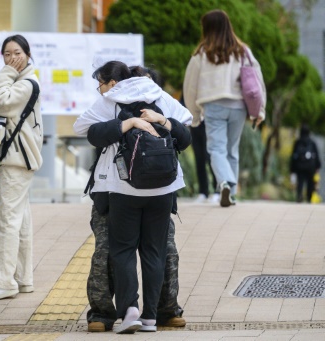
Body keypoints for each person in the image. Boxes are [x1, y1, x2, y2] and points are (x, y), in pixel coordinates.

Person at [74, 61, 192, 334]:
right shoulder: (161, 96)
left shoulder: (111, 100)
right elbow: (186, 127)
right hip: (164, 188)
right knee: (155, 251)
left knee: (123, 250)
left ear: (116, 82)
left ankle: (130, 312)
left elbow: (84, 128)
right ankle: (151, 317)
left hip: (123, 188)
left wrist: (125, 123)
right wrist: (161, 120)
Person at [0, 34, 43, 301]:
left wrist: (5, 72)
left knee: (5, 220)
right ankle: (22, 278)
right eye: (6, 54)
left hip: (16, 161)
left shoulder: (27, 83)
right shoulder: (21, 81)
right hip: (16, 160)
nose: (12, 58)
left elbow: (0, 101)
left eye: (17, 53)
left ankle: (3, 282)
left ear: (27, 54)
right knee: (20, 220)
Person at [183, 9, 266, 207]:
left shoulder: (201, 53)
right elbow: (257, 80)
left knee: (216, 149)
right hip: (238, 106)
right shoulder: (242, 50)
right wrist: (259, 110)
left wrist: (193, 116)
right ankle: (232, 192)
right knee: (231, 150)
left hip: (213, 106)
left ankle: (225, 183)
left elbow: (190, 86)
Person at [290, 124, 322, 203]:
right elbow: (316, 155)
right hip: (310, 167)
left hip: (300, 166)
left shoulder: (297, 142)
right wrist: (318, 166)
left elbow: (293, 156)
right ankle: (309, 197)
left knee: (300, 182)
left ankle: (299, 195)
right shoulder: (312, 142)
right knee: (310, 183)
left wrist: (292, 169)